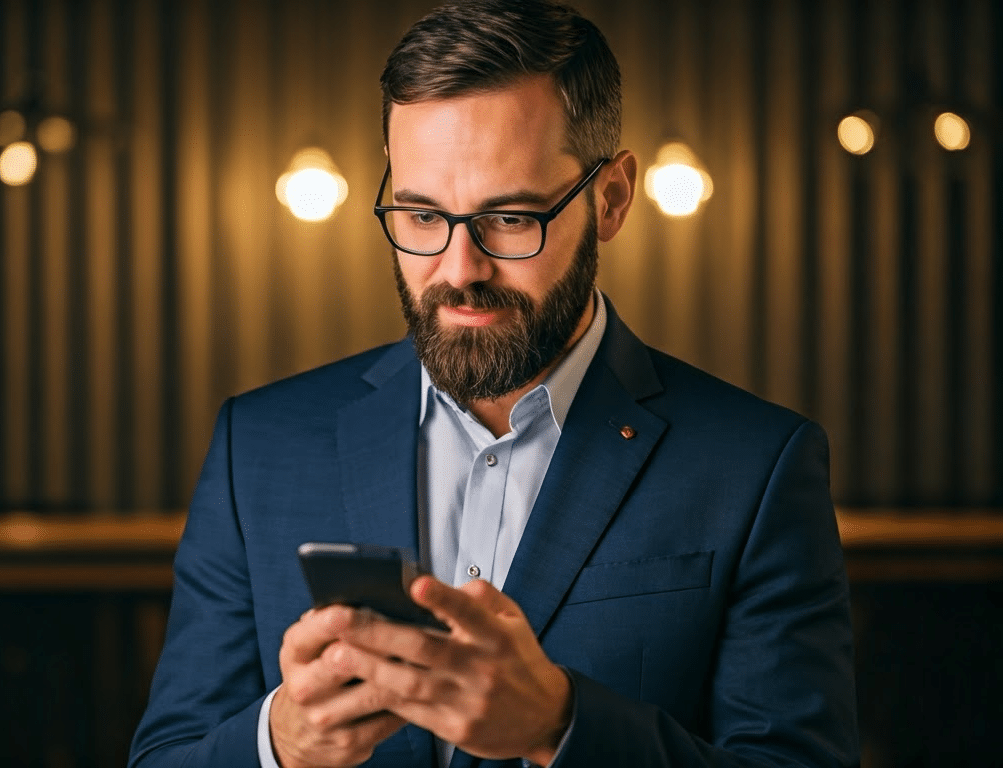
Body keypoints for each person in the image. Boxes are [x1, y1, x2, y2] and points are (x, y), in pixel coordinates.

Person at [128, 1, 859, 766]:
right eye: (420, 216)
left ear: (609, 199)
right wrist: (282, 743)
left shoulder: (758, 464)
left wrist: (564, 728)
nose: (458, 269)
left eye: (510, 219)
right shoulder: (261, 446)